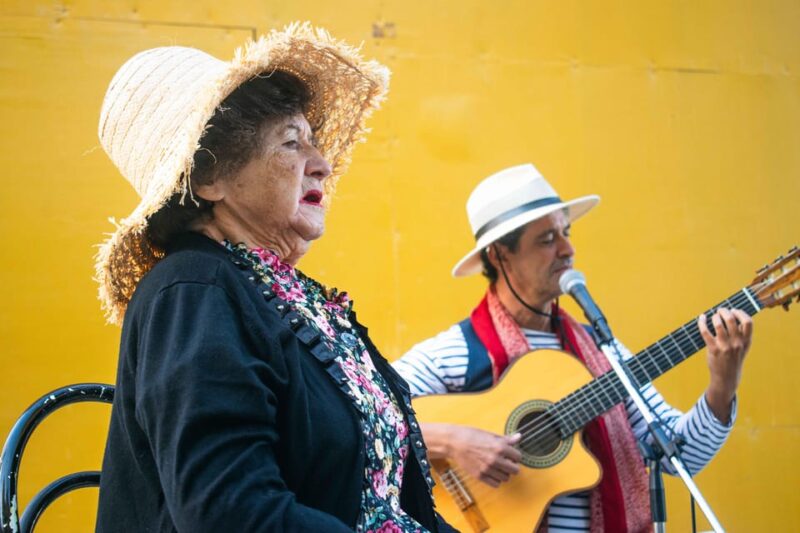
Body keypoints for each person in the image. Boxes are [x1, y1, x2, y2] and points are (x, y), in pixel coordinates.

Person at [94, 23, 453, 533]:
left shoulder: (282, 295)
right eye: (292, 143)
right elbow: (229, 513)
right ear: (207, 178)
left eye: (314, 143)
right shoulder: (192, 292)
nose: (323, 166)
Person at [392, 163, 753, 532]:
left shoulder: (603, 352)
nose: (568, 249)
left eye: (566, 232)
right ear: (500, 255)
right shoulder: (457, 352)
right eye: (547, 239)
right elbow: (367, 415)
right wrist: (453, 441)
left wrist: (723, 384)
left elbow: (681, 457)